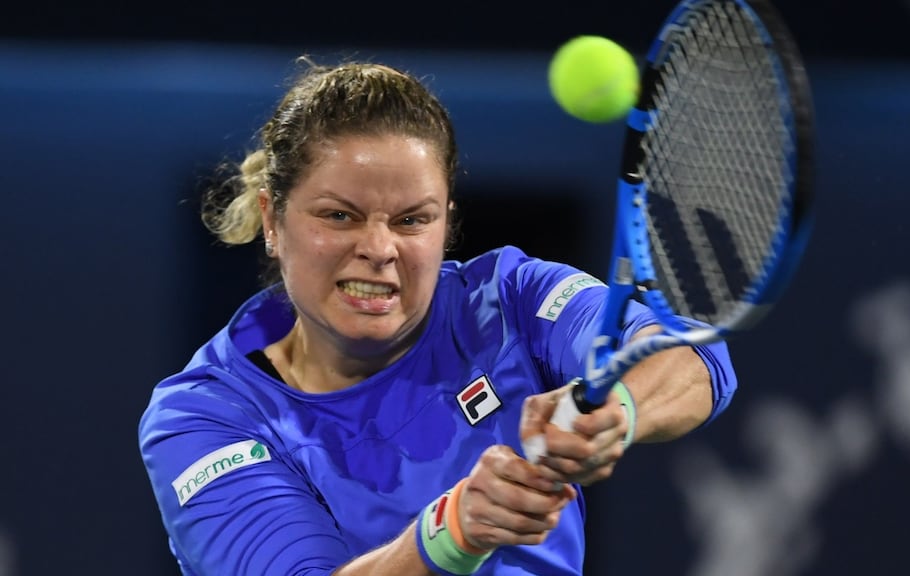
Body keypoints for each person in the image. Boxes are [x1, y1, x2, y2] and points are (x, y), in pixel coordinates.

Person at [138, 57, 737, 576]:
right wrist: (453, 533)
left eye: (411, 220)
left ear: (446, 222)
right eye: (340, 216)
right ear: (272, 220)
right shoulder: (202, 418)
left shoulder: (512, 298)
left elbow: (693, 356)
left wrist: (616, 412)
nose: (379, 247)